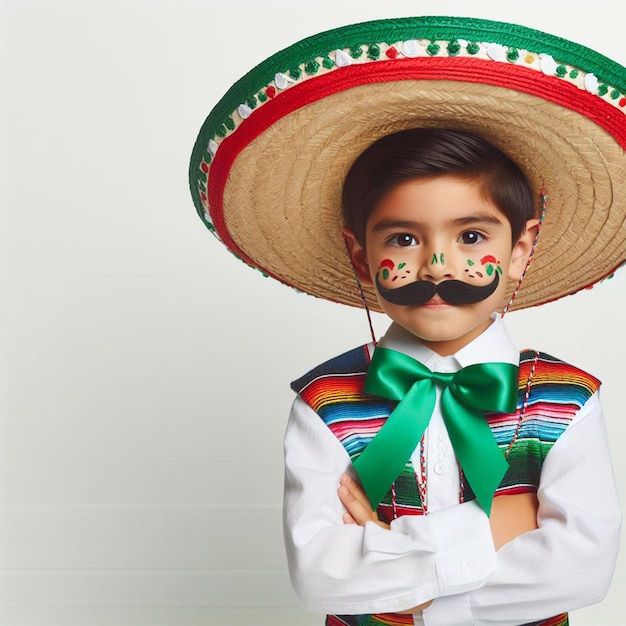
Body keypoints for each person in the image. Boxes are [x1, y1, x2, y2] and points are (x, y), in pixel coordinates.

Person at [189, 16, 625, 626]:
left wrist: (393, 562)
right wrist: (504, 527)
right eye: (404, 238)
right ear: (362, 257)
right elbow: (320, 577)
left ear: (523, 248)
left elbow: (583, 569)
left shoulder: (569, 400)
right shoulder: (326, 403)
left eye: (472, 235)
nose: (437, 265)